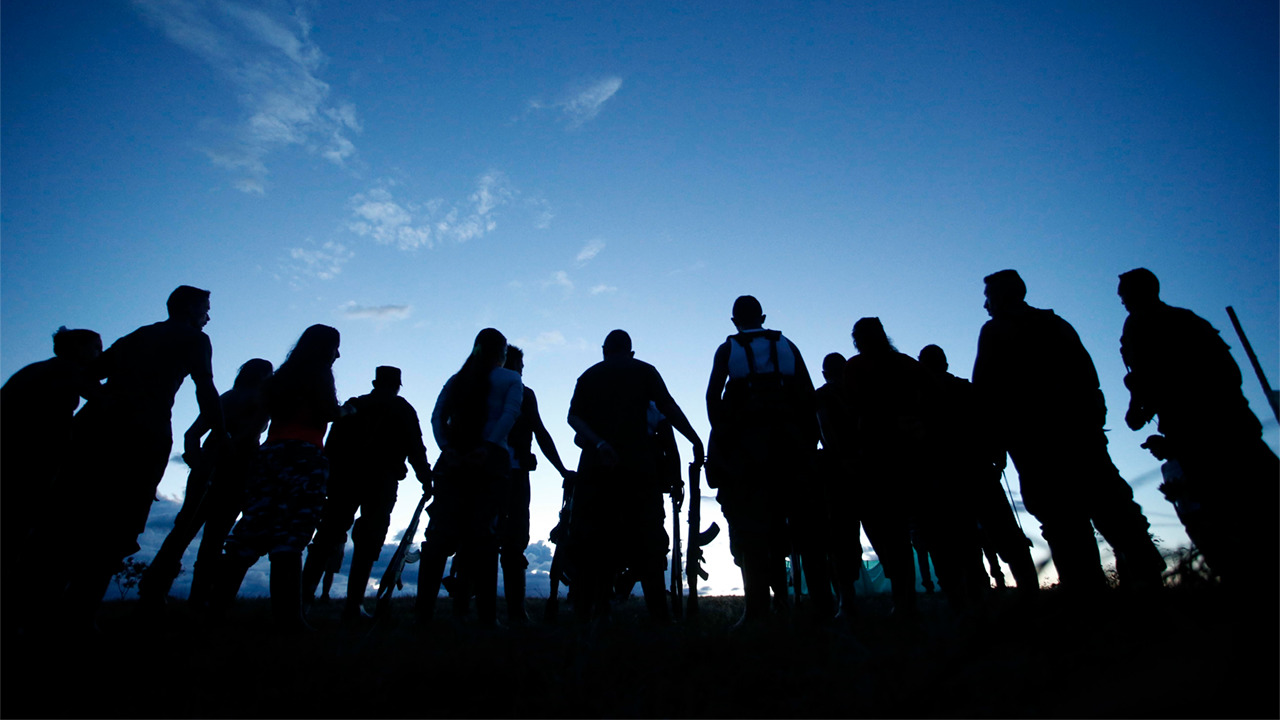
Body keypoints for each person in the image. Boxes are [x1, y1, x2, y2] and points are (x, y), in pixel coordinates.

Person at [972, 270, 1165, 592]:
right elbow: (1089, 376)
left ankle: (1089, 592)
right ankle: (1145, 580)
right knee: (1111, 508)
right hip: (1079, 435)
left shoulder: (996, 330)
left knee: (1063, 519)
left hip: (1036, 443)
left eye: (989, 296)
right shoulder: (1056, 325)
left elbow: (986, 392)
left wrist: (993, 444)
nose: (985, 304)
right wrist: (1092, 421)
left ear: (1004, 295)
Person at [62, 286, 226, 628]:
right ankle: (78, 615)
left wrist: (103, 401)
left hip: (95, 428)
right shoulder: (194, 339)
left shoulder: (139, 335)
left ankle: (52, 608)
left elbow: (85, 375)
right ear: (192, 308)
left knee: (76, 511)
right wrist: (219, 433)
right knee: (119, 520)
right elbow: (205, 386)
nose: (209, 317)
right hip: (143, 433)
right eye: (206, 309)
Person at [1117, 268, 1279, 592]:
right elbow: (1230, 373)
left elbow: (1146, 379)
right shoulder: (1187, 320)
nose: (1121, 298)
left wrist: (1138, 409)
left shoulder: (1141, 326)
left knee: (1224, 512)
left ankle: (1250, 586)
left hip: (1201, 434)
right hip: (1231, 425)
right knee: (1263, 500)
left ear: (1143, 291)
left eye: (1125, 291)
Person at [212, 325, 346, 632]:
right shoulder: (320, 374)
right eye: (335, 348)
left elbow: (258, 424)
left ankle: (215, 609)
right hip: (304, 457)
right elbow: (328, 412)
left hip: (270, 454)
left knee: (251, 530)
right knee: (291, 535)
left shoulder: (278, 379)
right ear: (326, 348)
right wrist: (345, 411)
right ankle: (290, 620)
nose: (337, 354)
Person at [569, 330, 704, 623]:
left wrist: (599, 442)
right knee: (649, 540)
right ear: (630, 351)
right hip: (639, 467)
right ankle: (659, 614)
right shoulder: (645, 371)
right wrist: (694, 437)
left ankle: (590, 612)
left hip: (596, 469)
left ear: (604, 350)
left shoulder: (588, 376)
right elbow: (668, 407)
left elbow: (573, 418)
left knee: (594, 540)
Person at [706, 296, 824, 627]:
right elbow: (808, 394)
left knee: (753, 528)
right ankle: (822, 606)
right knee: (805, 527)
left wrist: (723, 442)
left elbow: (713, 398)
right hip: (791, 445)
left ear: (734, 321)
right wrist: (808, 441)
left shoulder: (727, 349)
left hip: (749, 449)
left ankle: (756, 610)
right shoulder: (788, 344)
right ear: (763, 316)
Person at [138, 358, 274, 610]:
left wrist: (198, 462)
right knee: (215, 536)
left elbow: (192, 435)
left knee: (183, 529)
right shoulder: (263, 401)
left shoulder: (226, 397)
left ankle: (154, 588)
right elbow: (249, 436)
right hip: (236, 471)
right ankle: (198, 598)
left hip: (208, 468)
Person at [301, 365, 432, 623]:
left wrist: (325, 476)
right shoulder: (403, 409)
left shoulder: (355, 405)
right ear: (397, 385)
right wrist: (426, 479)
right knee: (368, 541)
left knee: (327, 536)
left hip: (344, 479)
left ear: (374, 382)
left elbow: (332, 444)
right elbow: (416, 447)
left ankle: (302, 601)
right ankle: (353, 605)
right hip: (381, 481)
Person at [416, 329, 522, 627]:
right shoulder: (511, 379)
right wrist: (488, 446)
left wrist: (447, 448)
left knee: (439, 535)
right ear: (502, 353)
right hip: (491, 462)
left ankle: (423, 613)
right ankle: (486, 617)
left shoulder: (457, 379)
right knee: (485, 536)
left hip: (453, 462)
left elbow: (437, 417)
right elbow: (510, 414)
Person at [2, 327, 102, 634]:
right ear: (81, 349)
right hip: (29, 460)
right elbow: (104, 398)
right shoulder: (67, 371)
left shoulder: (35, 370)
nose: (100, 355)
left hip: (15, 457)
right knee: (26, 531)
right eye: (97, 349)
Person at [917, 343, 1037, 598]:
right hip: (977, 471)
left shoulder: (922, 399)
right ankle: (1027, 591)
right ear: (945, 363)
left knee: (967, 541)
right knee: (1002, 534)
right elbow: (991, 423)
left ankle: (980, 597)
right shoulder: (964, 389)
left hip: (951, 477)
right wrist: (998, 458)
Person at [843, 318, 928, 618]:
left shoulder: (857, 369)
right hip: (893, 458)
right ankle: (906, 595)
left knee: (889, 530)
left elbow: (848, 415)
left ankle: (906, 597)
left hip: (883, 460)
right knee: (893, 531)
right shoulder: (905, 365)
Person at [499, 346, 573, 625]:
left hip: (505, 477)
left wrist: (561, 468)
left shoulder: (516, 394)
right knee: (510, 544)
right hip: (510, 478)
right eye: (518, 366)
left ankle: (511, 611)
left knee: (505, 543)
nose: (519, 372)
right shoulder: (520, 394)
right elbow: (540, 433)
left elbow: (540, 434)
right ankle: (515, 612)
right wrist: (561, 469)